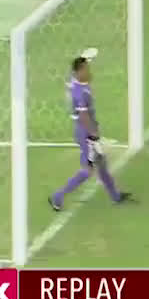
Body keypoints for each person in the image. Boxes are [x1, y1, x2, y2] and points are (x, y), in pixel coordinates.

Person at [49, 53, 133, 210]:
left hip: (84, 129)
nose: (89, 72)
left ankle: (115, 196)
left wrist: (85, 58)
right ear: (79, 72)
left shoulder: (75, 83)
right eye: (86, 69)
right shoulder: (82, 92)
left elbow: (74, 72)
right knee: (87, 170)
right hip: (85, 132)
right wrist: (93, 134)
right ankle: (57, 196)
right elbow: (83, 116)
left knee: (101, 164)